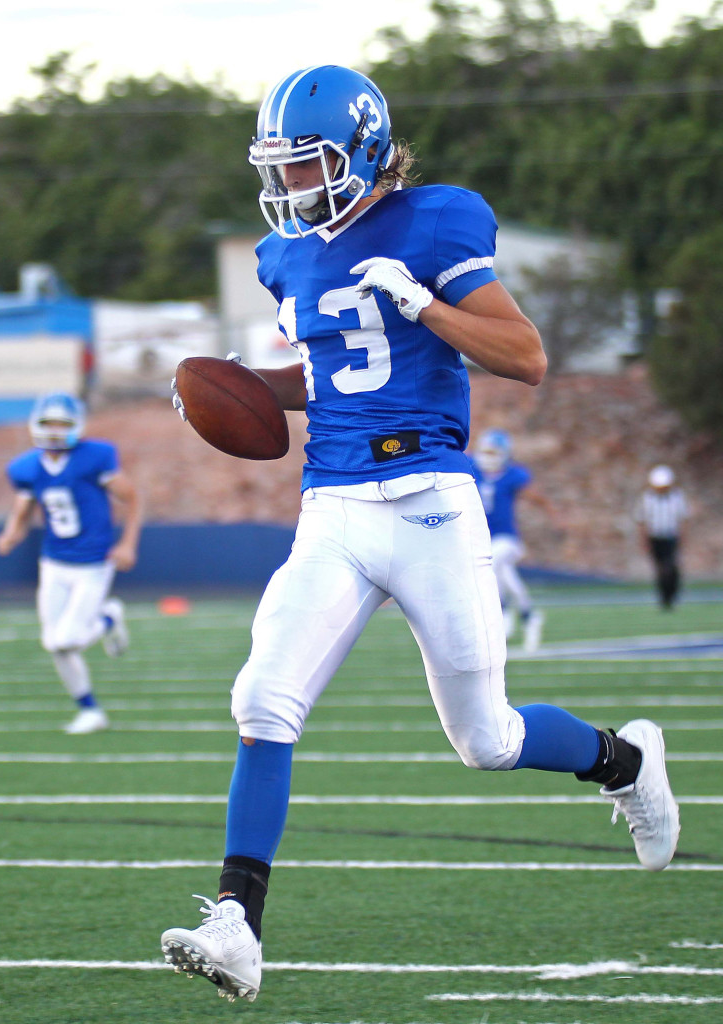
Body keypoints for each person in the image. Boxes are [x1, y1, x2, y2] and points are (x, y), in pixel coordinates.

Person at [161, 65, 680, 1003]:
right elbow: (329, 379)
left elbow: (525, 357)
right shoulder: (288, 257)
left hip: (432, 500)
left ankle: (627, 761)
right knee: (263, 699)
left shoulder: (440, 219)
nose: (290, 188)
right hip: (337, 506)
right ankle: (237, 926)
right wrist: (232, 384)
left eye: (307, 166)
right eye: (277, 169)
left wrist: (426, 305)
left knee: (486, 739)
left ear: (361, 151)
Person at [0, 391, 142, 734]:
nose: (56, 431)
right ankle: (90, 710)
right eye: (50, 424)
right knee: (54, 644)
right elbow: (24, 504)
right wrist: (11, 532)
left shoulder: (95, 456)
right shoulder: (25, 467)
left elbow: (131, 498)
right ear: (36, 424)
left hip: (93, 562)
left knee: (66, 640)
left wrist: (128, 543)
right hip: (54, 563)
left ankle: (108, 617)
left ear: (77, 426)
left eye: (63, 424)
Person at [466, 428, 552, 652]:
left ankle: (503, 612)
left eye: (493, 452)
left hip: (507, 538)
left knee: (492, 565)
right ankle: (529, 616)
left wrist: (554, 515)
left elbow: (536, 496)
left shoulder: (513, 475)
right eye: (486, 451)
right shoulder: (473, 469)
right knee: (506, 577)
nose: (488, 457)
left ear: (504, 454)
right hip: (482, 538)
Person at [635, 464, 688, 609]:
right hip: (655, 537)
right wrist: (644, 541)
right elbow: (642, 521)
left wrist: (682, 538)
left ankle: (672, 593)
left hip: (671, 536)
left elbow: (682, 519)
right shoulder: (648, 498)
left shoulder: (676, 496)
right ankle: (664, 596)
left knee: (670, 566)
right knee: (660, 568)